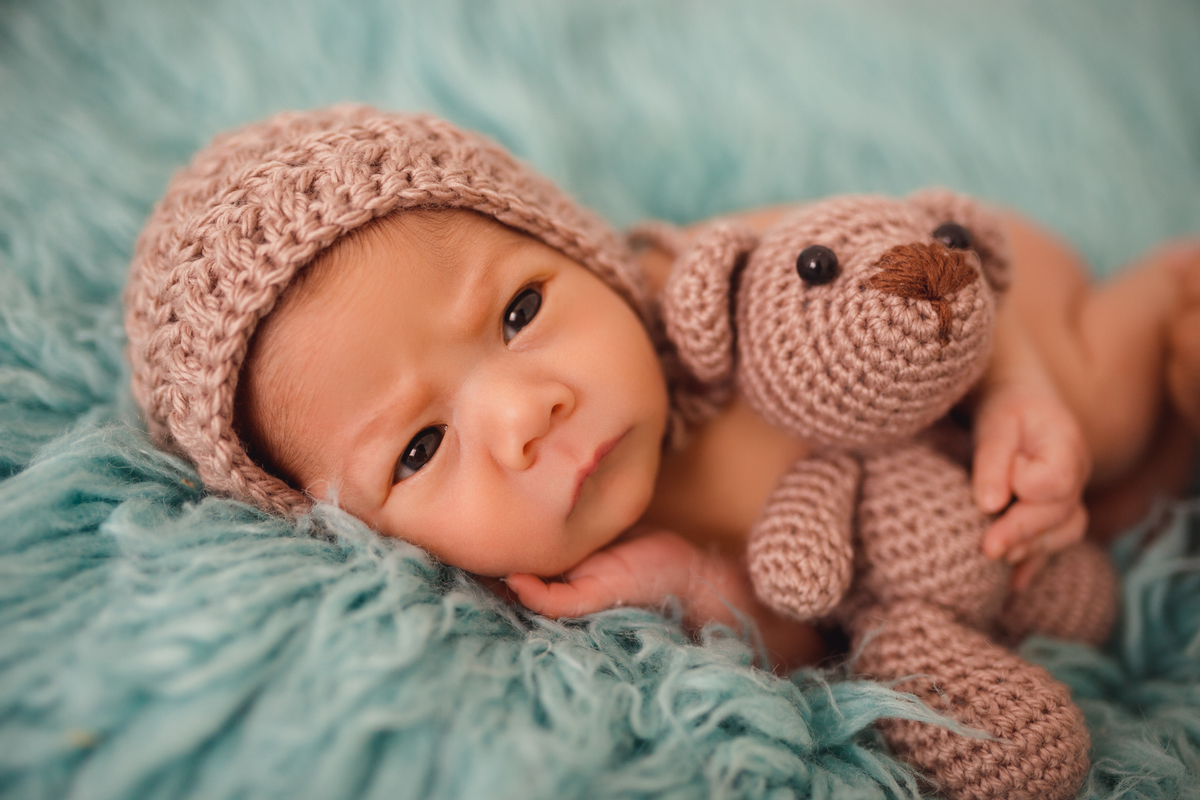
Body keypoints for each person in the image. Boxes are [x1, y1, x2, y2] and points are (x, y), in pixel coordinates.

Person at [124, 106, 1199, 672]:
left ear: (573, 243)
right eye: (418, 448)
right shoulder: (570, 583)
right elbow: (816, 636)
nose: (524, 410)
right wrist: (696, 586)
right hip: (934, 518)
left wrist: (1018, 389)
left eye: (518, 311)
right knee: (1093, 531)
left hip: (979, 315)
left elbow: (911, 255)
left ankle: (1158, 294)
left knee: (1093, 426)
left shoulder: (699, 284)